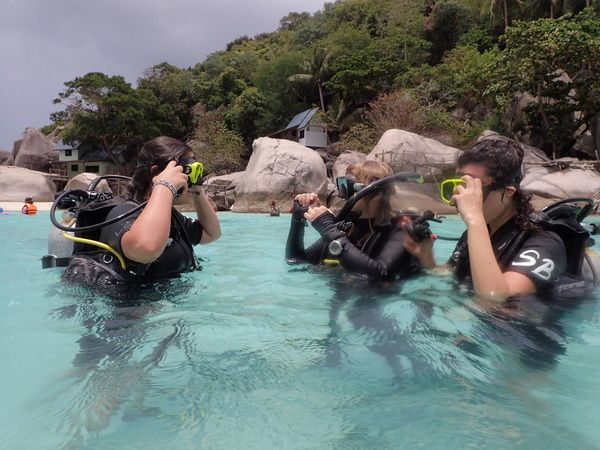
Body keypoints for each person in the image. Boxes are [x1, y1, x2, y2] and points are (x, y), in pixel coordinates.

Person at [406, 139, 574, 300]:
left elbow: (495, 297)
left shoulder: (546, 243)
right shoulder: (476, 233)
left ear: (508, 191)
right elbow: (450, 273)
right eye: (457, 185)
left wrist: (474, 219)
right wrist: (426, 256)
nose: (458, 198)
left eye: (474, 189)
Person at [63, 136, 221, 284]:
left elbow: (211, 233)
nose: (191, 177)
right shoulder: (122, 212)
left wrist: (197, 189)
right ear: (155, 173)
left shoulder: (171, 218)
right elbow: (145, 248)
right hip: (131, 311)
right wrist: (165, 186)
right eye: (188, 170)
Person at [285, 160, 421, 281]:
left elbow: (382, 273)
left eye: (349, 184)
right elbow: (296, 260)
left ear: (376, 192)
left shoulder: (400, 229)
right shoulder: (346, 227)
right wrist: (297, 220)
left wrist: (329, 230)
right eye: (342, 184)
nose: (343, 192)